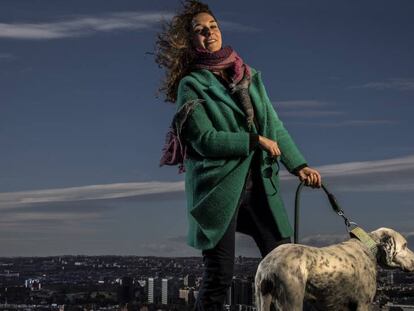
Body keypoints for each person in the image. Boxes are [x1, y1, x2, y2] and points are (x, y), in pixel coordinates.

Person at [156, 1, 322, 310]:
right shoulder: (191, 85)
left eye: (213, 26)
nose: (209, 33)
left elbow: (275, 126)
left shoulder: (249, 75)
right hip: (218, 189)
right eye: (200, 30)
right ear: (191, 40)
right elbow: (205, 141)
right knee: (220, 275)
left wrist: (298, 164)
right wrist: (253, 140)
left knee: (284, 265)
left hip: (258, 183)